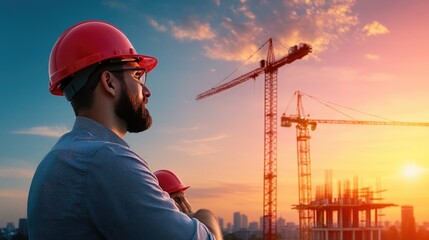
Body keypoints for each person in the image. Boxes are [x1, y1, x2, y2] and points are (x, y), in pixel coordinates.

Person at [27, 20, 222, 240]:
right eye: (137, 76)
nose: (147, 91)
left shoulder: (52, 161)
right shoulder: (106, 159)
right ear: (109, 82)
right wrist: (203, 216)